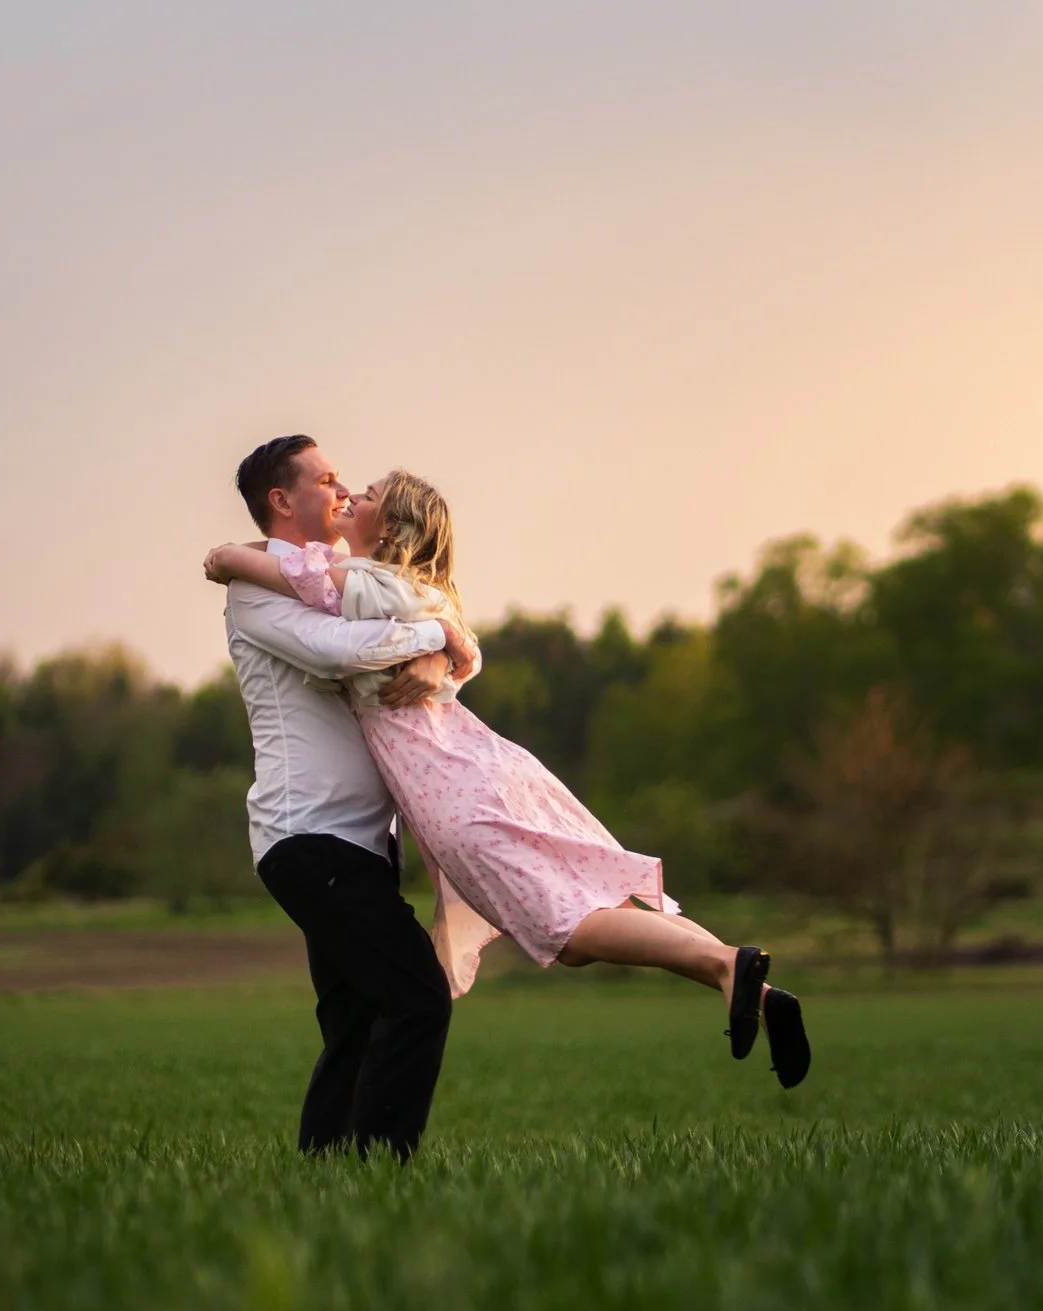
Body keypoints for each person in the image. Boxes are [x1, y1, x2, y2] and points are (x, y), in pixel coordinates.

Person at [206, 466, 810, 1089]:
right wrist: (448, 638)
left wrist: (232, 556)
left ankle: (728, 964)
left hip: (455, 789)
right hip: (481, 769)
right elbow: (436, 631)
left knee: (568, 928)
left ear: (390, 530)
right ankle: (755, 993)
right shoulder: (412, 592)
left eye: (367, 496)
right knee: (590, 902)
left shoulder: (372, 583)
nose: (351, 494)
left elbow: (308, 586)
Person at [220, 435, 478, 1160]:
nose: (342, 491)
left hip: (361, 843)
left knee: (358, 1018)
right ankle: (379, 1171)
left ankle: (329, 1173)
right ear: (282, 500)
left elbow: (441, 644)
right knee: (417, 996)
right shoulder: (255, 588)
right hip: (308, 838)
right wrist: (436, 633)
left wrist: (449, 646)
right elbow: (342, 650)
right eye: (326, 479)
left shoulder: (341, 575)